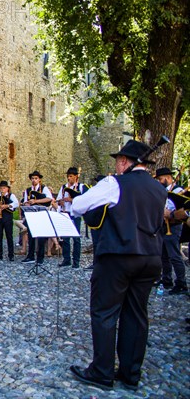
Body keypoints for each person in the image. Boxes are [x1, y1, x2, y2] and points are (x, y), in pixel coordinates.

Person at [69, 140, 166, 391]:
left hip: (118, 256)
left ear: (124, 162)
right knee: (136, 314)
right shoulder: (159, 189)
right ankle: (130, 374)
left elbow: (79, 206)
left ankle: (101, 371)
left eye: (117, 161)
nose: (116, 165)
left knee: (105, 313)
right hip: (150, 258)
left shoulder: (114, 183)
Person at [154, 167, 187, 294]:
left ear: (168, 178)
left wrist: (171, 214)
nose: (159, 182)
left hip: (174, 226)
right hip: (163, 226)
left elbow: (184, 210)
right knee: (164, 255)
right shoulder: (163, 192)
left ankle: (181, 283)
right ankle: (166, 279)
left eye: (161, 179)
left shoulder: (178, 191)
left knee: (174, 256)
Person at [55, 167, 89, 268]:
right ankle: (66, 259)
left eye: (71, 176)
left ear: (76, 177)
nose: (69, 178)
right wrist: (60, 202)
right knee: (65, 238)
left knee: (76, 238)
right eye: (68, 176)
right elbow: (57, 200)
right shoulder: (63, 187)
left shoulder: (81, 187)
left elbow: (85, 200)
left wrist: (71, 200)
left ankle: (76, 261)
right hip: (65, 213)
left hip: (75, 214)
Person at [21, 171, 53, 265]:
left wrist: (35, 201)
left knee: (41, 237)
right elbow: (26, 201)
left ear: (39, 179)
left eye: (36, 178)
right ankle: (30, 256)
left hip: (41, 214)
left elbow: (49, 199)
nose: (34, 180)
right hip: (32, 215)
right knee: (31, 236)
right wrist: (26, 203)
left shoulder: (44, 188)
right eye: (32, 178)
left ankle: (40, 257)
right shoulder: (28, 190)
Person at [0, 181, 18, 261]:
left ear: (7, 189)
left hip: (7, 218)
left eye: (4, 188)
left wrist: (7, 206)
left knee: (9, 236)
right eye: (1, 188)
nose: (2, 190)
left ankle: (11, 254)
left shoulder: (11, 196)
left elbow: (16, 204)